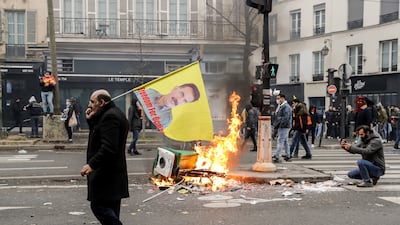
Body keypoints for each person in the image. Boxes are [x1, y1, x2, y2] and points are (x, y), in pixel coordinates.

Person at [80, 89, 129, 225]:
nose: (90, 105)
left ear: (102, 102)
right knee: (112, 209)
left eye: (92, 102)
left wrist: (91, 164)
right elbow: (100, 135)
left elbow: (109, 147)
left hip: (106, 174)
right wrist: (91, 120)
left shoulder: (110, 117)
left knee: (98, 206)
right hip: (113, 174)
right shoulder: (112, 114)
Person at [136, 83, 200, 130]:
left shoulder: (166, 121)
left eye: (185, 101)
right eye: (181, 94)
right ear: (175, 89)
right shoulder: (150, 92)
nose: (179, 100)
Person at [272, 94, 292, 162]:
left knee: (280, 140)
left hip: (284, 126)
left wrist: (279, 123)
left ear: (282, 98)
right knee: (285, 141)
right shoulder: (282, 106)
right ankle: (288, 155)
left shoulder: (285, 107)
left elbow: (286, 118)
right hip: (284, 126)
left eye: (278, 98)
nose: (278, 100)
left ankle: (277, 155)